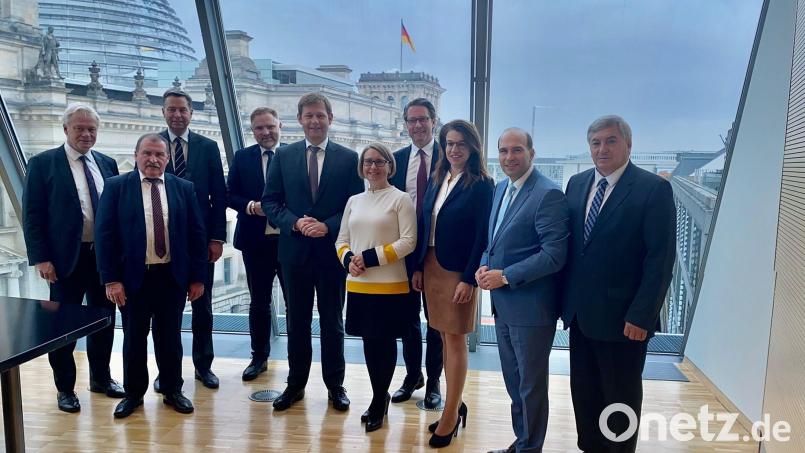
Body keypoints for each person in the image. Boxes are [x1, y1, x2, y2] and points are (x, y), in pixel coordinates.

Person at [562, 115, 676, 453]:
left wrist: (641, 316)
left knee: (620, 395)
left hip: (624, 320)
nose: (602, 149)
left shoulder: (653, 189)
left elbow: (660, 260)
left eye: (610, 141)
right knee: (584, 392)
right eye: (596, 143)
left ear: (628, 144)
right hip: (581, 316)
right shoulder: (577, 183)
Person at [262, 92, 364, 411]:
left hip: (331, 255)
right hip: (294, 254)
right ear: (300, 120)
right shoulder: (284, 155)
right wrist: (295, 223)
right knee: (297, 322)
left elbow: (354, 206)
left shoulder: (349, 158)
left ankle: (335, 386)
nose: (315, 121)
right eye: (309, 116)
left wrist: (327, 226)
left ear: (330, 119)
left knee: (333, 322)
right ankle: (295, 385)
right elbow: (270, 201)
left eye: (321, 115)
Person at [95, 133, 207, 419]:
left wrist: (197, 277)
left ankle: (172, 390)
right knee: (134, 338)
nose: (153, 160)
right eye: (147, 153)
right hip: (134, 280)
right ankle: (133, 394)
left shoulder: (184, 188)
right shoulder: (116, 187)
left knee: (170, 338)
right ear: (136, 155)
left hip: (172, 277)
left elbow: (196, 235)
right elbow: (104, 237)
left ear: (168, 159)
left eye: (159, 155)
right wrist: (111, 280)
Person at [22, 103, 124, 413]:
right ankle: (65, 389)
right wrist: (41, 258)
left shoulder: (107, 163)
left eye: (91, 128)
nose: (86, 133)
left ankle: (101, 378)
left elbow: (115, 212)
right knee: (62, 327)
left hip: (102, 258)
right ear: (66, 129)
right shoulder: (43, 164)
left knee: (104, 320)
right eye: (79, 128)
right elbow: (33, 215)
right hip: (64, 261)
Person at [477, 128, 570, 453]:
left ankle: (530, 448)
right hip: (503, 306)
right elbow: (495, 240)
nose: (508, 157)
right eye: (503, 151)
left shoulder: (548, 194)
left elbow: (553, 255)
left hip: (531, 310)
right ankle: (523, 443)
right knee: (515, 384)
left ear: (532, 153)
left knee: (530, 387)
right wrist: (484, 264)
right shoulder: (502, 188)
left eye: (516, 150)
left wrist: (505, 276)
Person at [412, 119, 494, 448]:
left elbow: (481, 236)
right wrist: (418, 266)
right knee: (444, 340)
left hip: (457, 271)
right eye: (449, 143)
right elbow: (425, 225)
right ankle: (454, 403)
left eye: (461, 144)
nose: (454, 149)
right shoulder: (438, 177)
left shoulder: (482, 184)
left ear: (473, 147)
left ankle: (450, 416)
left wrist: (469, 279)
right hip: (431, 265)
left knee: (456, 341)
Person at [335, 143, 416, 432]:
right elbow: (341, 240)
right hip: (359, 283)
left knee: (385, 343)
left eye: (379, 161)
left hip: (391, 284)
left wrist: (368, 258)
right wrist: (348, 261)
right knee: (370, 344)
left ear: (389, 165)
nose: (373, 167)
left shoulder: (401, 199)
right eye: (368, 162)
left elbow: (409, 241)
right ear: (362, 167)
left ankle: (380, 400)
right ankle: (377, 398)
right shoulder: (354, 200)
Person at [157, 88, 226, 390]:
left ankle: (203, 366)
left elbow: (219, 197)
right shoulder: (153, 146)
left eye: (182, 109)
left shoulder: (208, 147)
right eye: (171, 109)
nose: (177, 115)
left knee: (203, 308)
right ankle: (166, 371)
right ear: (164, 112)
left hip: (199, 243)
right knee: (165, 312)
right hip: (162, 242)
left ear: (191, 113)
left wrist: (217, 238)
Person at [388, 98, 443, 408]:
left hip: (437, 254)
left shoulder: (447, 158)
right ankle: (412, 376)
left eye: (423, 119)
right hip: (404, 253)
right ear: (405, 124)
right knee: (407, 319)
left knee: (435, 320)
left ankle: (434, 380)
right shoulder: (395, 161)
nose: (418, 125)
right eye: (412, 120)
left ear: (434, 121)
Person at [227, 107, 287, 381]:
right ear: (253, 131)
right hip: (255, 242)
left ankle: (298, 359)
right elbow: (229, 195)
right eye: (259, 128)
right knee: (259, 302)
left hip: (288, 240)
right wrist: (251, 206)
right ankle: (259, 357)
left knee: (294, 303)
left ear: (280, 126)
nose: (265, 132)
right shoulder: (242, 157)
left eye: (270, 127)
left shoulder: (292, 155)